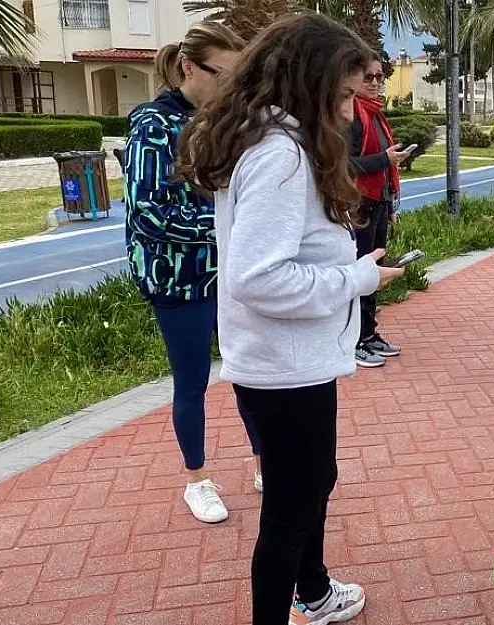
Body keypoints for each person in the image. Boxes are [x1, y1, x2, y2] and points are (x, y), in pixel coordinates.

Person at [175, 12, 403, 625]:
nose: (353, 108)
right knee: (289, 509)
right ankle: (295, 602)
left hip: (287, 360)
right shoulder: (280, 155)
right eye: (347, 93)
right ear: (310, 82)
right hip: (285, 365)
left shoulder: (271, 141)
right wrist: (354, 279)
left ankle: (315, 590)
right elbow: (259, 277)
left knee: (308, 486)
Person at [122, 20, 262, 525]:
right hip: (178, 277)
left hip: (230, 271)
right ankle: (196, 479)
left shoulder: (225, 121)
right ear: (188, 66)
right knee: (193, 379)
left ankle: (264, 462)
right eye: (220, 75)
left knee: (249, 368)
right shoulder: (152, 127)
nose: (229, 88)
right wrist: (228, 226)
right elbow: (148, 214)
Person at [348, 57, 412, 368]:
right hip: (357, 205)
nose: (375, 82)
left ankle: (369, 333)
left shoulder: (376, 115)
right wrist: (384, 160)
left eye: (379, 76)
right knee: (360, 271)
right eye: (367, 77)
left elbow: (385, 165)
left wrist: (389, 203)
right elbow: (344, 165)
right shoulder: (351, 115)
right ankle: (355, 340)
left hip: (378, 202)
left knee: (374, 272)